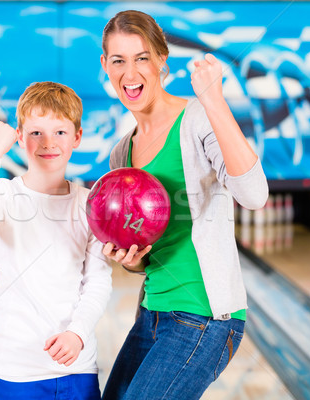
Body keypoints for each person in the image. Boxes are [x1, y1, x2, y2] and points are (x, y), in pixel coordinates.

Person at [98, 10, 269, 400]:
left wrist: (215, 103)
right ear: (105, 65)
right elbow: (146, 256)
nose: (130, 72)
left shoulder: (197, 119)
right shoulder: (120, 154)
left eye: (142, 58)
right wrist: (131, 260)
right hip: (153, 314)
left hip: (205, 317)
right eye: (119, 60)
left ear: (162, 60)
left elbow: (255, 195)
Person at [0, 81, 112, 400]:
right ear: (19, 136)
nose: (47, 143)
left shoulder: (90, 204)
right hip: (15, 370)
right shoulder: (3, 195)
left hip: (77, 369)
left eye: (59, 132)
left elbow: (97, 283)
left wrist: (77, 334)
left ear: (77, 138)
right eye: (36, 132)